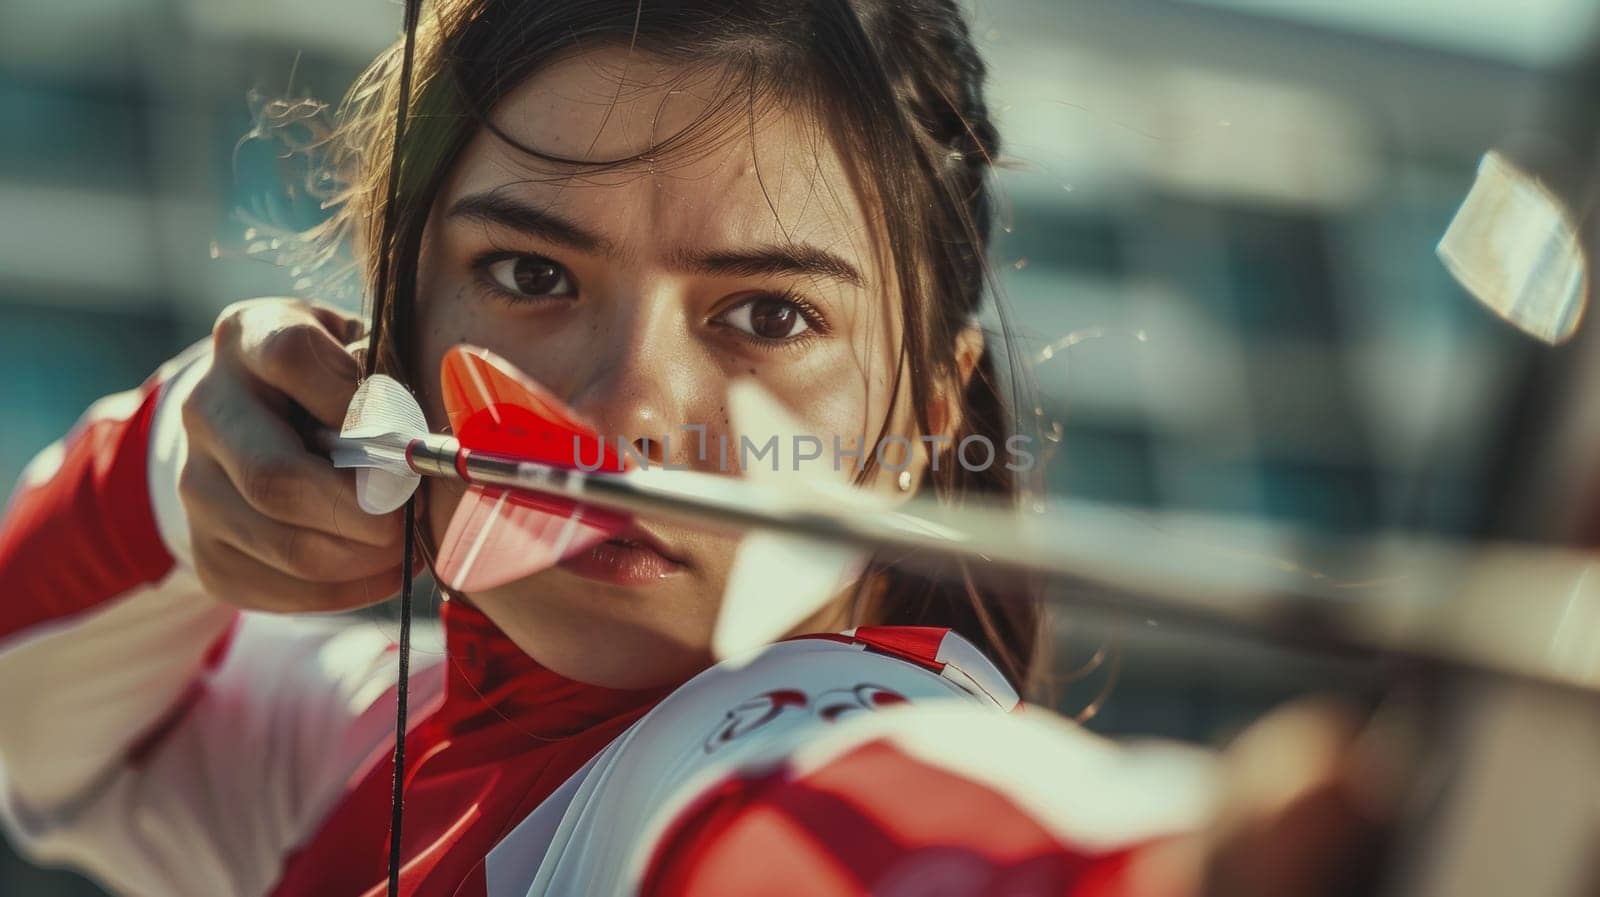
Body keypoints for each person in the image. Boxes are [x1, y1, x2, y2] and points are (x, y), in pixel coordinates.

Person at [0, 2, 1382, 895]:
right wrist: (186, 467)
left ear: (923, 431)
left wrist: (1195, 864)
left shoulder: (787, 736)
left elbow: (868, 811)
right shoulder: (371, 732)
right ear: (397, 341)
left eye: (766, 313)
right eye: (530, 275)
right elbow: (37, 724)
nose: (629, 401)